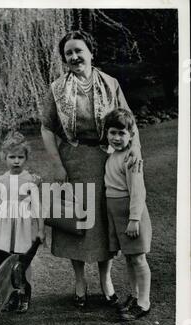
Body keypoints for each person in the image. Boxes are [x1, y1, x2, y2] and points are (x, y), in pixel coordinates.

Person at [41, 30, 142, 308]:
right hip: (72, 162)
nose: (74, 57)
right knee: (75, 223)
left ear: (90, 52)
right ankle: (79, 282)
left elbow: (129, 122)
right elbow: (47, 128)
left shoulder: (110, 83)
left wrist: (135, 155)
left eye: (78, 51)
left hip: (105, 161)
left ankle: (106, 280)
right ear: (64, 59)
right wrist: (57, 165)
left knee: (102, 223)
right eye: (68, 53)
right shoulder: (57, 88)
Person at [0, 131, 45, 313]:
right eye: (12, 157)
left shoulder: (31, 180)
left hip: (22, 225)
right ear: (4, 157)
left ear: (26, 158)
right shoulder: (0, 180)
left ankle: (24, 295)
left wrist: (41, 229)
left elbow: (37, 207)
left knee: (22, 261)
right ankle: (10, 296)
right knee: (4, 261)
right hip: (3, 225)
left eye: (21, 157)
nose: (16, 161)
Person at [103, 108, 152, 320]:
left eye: (122, 133)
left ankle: (144, 302)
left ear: (131, 135)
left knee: (139, 259)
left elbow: (138, 192)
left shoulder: (132, 159)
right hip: (116, 213)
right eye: (113, 132)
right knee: (130, 259)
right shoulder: (113, 155)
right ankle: (134, 296)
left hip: (132, 215)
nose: (116, 137)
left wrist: (134, 219)